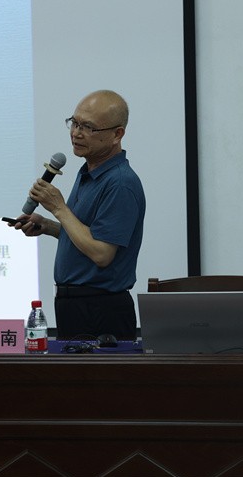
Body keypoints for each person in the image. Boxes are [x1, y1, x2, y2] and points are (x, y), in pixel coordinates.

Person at [10, 90, 145, 340]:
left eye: (88, 127)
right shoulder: (89, 172)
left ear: (117, 134)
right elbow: (88, 235)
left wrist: (59, 208)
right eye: (74, 123)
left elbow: (102, 253)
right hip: (75, 305)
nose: (76, 133)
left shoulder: (120, 183)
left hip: (101, 309)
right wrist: (48, 226)